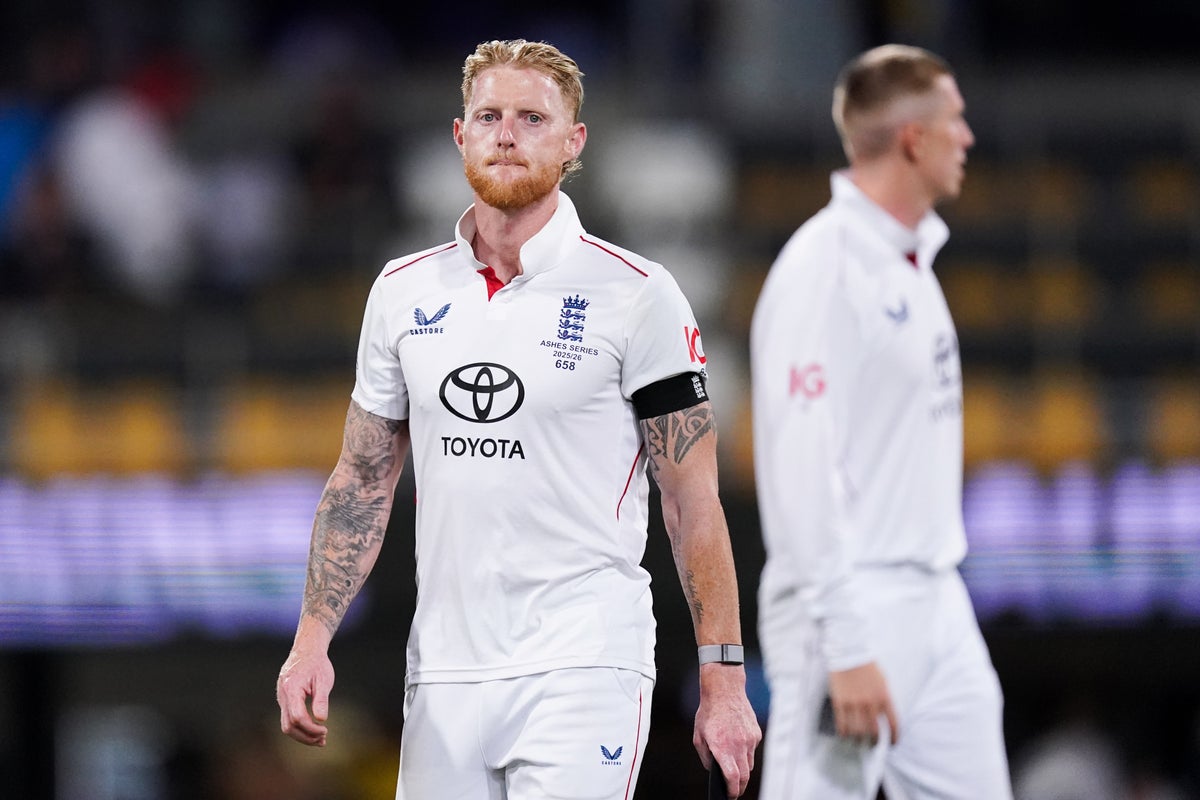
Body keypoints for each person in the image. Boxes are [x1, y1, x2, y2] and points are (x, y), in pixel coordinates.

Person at [276, 38, 761, 799]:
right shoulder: (401, 292)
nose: (507, 134)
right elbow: (362, 480)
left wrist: (724, 680)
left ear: (574, 142)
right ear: (459, 134)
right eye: (489, 116)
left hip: (584, 663)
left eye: (532, 118)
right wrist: (311, 642)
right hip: (444, 673)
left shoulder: (638, 294)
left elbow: (691, 499)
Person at [749, 44, 1013, 798]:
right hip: (849, 604)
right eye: (955, 120)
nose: (967, 137)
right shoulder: (824, 269)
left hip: (936, 596)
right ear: (913, 139)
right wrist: (846, 638)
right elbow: (798, 467)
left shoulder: (908, 263)